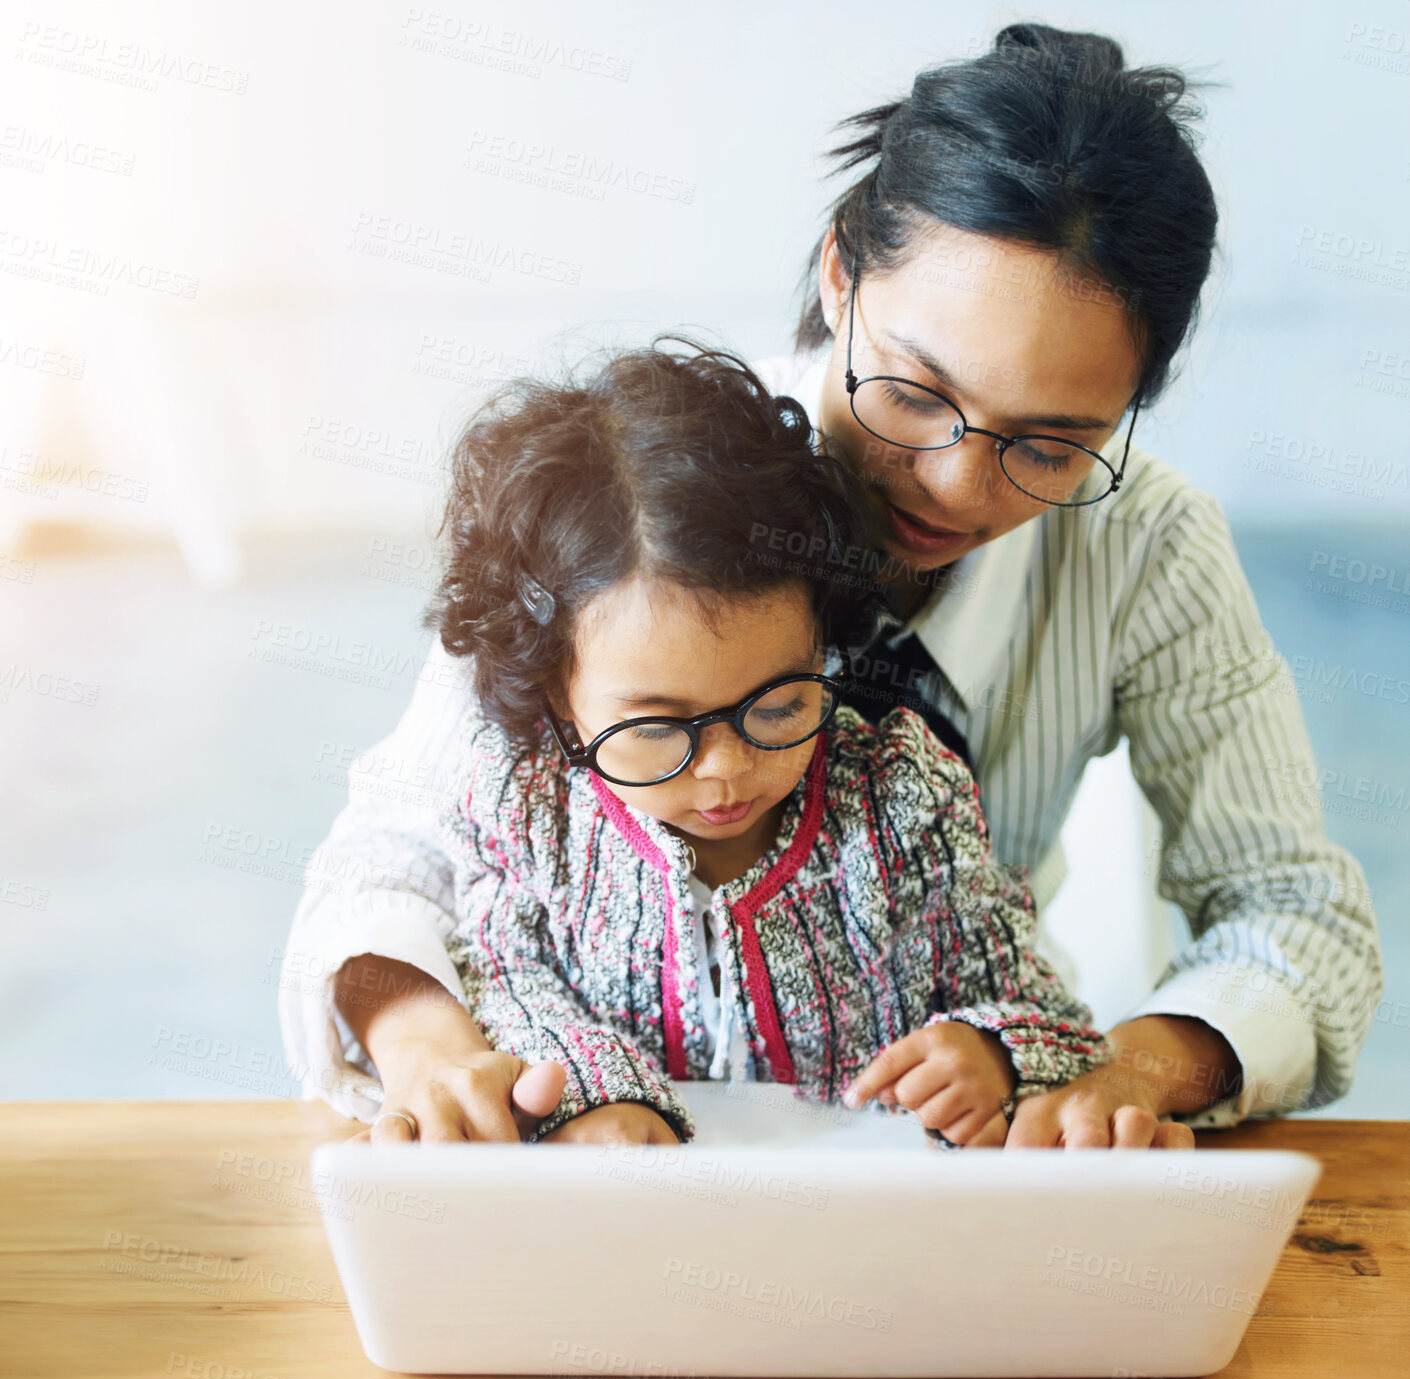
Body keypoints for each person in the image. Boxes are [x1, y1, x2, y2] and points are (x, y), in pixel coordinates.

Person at [279, 24, 1380, 1149]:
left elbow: (1299, 917)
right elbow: (393, 854)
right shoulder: (636, 497)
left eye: (1050, 445)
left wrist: (1123, 1070)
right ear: (840, 272)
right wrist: (439, 1055)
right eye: (914, 389)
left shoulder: (1148, 547)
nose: (955, 487)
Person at [392, 342, 1109, 1146]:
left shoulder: (906, 801)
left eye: (777, 706)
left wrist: (995, 1053)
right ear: (559, 692)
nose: (727, 770)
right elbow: (507, 981)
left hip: (870, 1217)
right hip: (630, 1217)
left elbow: (1045, 1010)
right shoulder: (528, 808)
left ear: (822, 644)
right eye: (658, 727)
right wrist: (593, 1097)